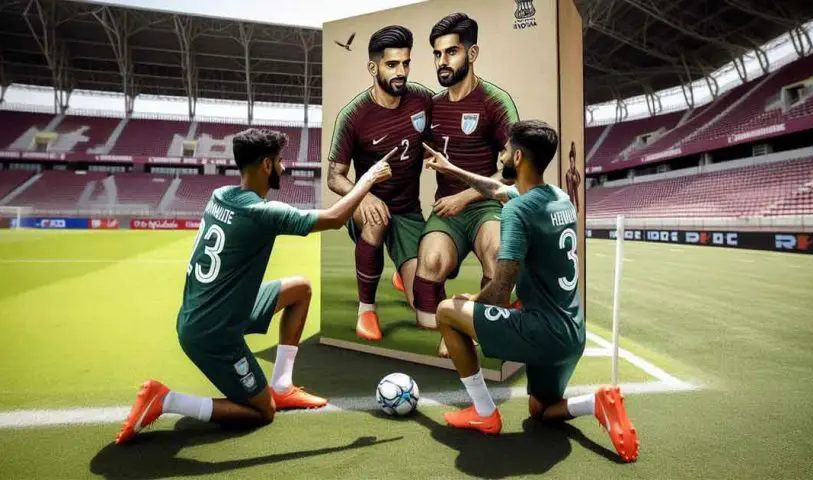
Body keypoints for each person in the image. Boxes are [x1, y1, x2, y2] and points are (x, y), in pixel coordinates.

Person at [114, 128, 394, 445]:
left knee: (300, 289)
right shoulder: (261, 213)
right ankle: (167, 399)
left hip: (219, 309)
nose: (284, 168)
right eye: (280, 161)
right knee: (263, 412)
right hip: (213, 332)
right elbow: (334, 218)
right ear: (266, 165)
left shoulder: (220, 195)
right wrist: (367, 179)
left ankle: (283, 386)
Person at [423, 120, 639, 463]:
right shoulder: (559, 199)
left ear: (518, 157)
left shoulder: (518, 210)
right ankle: (594, 402)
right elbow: (497, 190)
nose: (501, 155)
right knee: (541, 411)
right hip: (572, 334)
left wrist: (470, 301)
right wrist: (450, 168)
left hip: (542, 332)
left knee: (447, 312)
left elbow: (500, 292)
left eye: (505, 150)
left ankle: (484, 413)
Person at [411, 12, 519, 357]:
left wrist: (466, 196)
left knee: (498, 252)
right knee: (430, 266)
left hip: (486, 205)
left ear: (472, 54)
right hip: (447, 208)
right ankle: (452, 319)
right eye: (437, 54)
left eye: (451, 52)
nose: (442, 61)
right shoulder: (432, 105)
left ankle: (477, 322)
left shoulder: (495, 101)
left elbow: (513, 170)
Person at [326, 25, 434, 341]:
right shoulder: (353, 115)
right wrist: (364, 195)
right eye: (392, 64)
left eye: (405, 63)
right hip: (368, 207)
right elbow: (334, 177)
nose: (401, 72)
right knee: (376, 219)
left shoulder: (422, 100)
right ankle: (366, 310)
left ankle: (404, 270)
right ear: (373, 68)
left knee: (425, 306)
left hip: (408, 212)